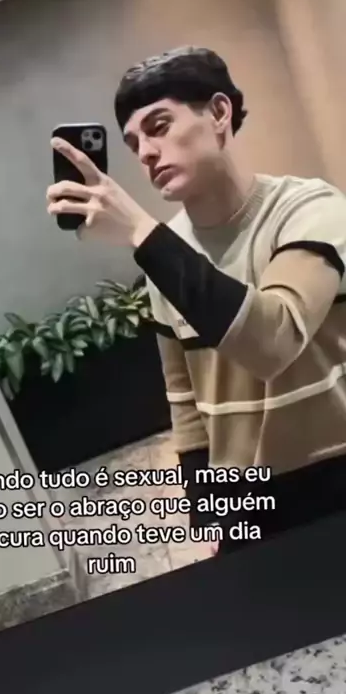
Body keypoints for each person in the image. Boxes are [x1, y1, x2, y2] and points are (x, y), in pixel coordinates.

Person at [46, 46, 346, 554]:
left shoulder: (309, 210)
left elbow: (273, 340)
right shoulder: (166, 253)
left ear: (219, 113)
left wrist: (142, 234)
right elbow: (185, 402)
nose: (145, 152)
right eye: (134, 143)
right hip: (245, 500)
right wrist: (208, 512)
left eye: (159, 126)